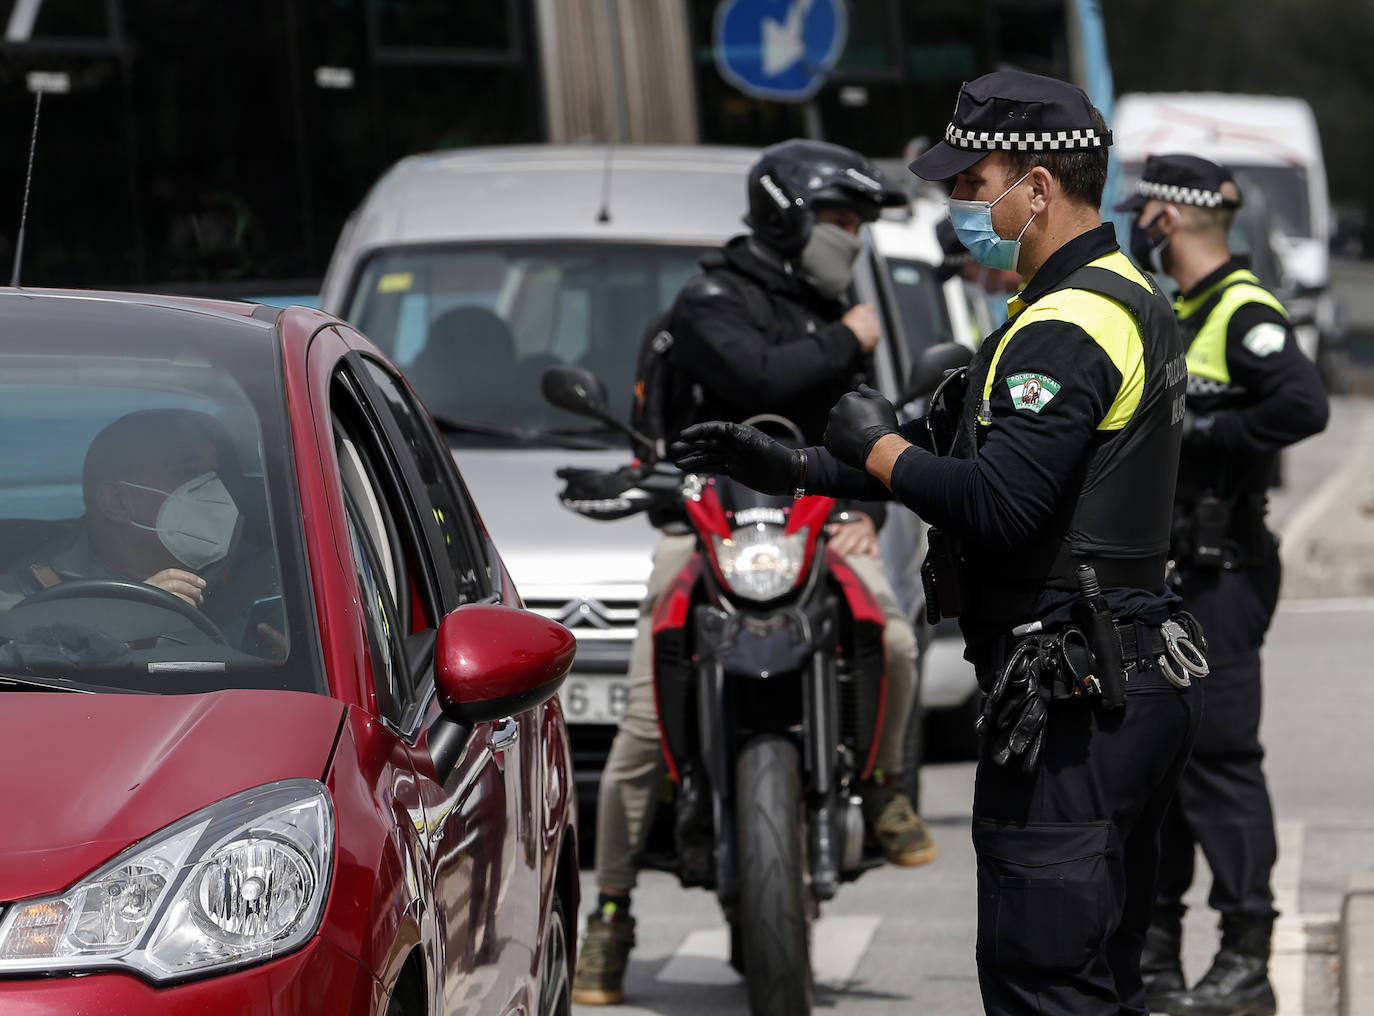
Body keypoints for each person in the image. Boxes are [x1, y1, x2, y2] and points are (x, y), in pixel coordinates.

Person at [672, 71, 1205, 1015]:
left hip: (1068, 701)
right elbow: (951, 452)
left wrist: (872, 444)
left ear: (1037, 188)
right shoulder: (1117, 295)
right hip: (1116, 679)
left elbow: (998, 503)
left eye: (972, 183)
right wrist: (794, 464)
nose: (958, 202)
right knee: (1100, 979)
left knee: (1046, 984)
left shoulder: (1065, 327)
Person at [572, 139, 933, 1006]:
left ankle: (880, 786)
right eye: (839, 219)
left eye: (856, 222)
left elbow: (867, 428)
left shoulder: (836, 310)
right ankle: (611, 915)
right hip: (704, 531)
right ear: (786, 214)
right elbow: (754, 378)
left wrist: (865, 513)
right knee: (639, 724)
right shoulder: (710, 302)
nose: (850, 237)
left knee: (895, 641)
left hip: (816, 523)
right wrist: (845, 336)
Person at [1116, 154, 1329, 1016]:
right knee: (1163, 764)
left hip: (1222, 570)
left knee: (1222, 763)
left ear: (1169, 219)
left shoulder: (1243, 312)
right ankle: (1158, 955)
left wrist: (1203, 431)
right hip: (1172, 571)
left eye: (1146, 216)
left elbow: (1303, 405)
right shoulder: (1178, 306)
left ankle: (1246, 958)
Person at [0, 409, 280, 656]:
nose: (214, 490)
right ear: (118, 503)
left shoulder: (280, 581)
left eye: (213, 475)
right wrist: (126, 628)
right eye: (188, 472)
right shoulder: (22, 598)